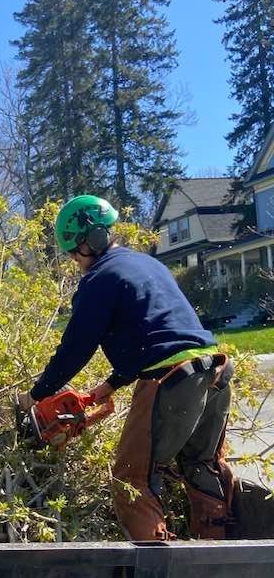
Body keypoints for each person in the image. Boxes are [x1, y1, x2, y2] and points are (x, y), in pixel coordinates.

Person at [17, 194, 235, 541]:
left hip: (172, 380)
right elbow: (158, 334)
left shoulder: (100, 278)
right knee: (201, 465)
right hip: (215, 371)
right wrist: (109, 386)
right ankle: (218, 552)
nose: (74, 260)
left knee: (131, 479)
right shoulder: (147, 265)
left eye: (74, 251)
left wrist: (37, 394)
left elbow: (76, 347)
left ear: (91, 242)